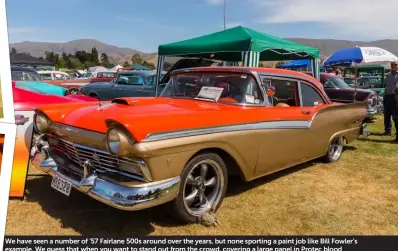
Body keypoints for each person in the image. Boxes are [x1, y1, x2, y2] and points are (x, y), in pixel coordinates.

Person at [383, 61, 398, 136]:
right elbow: (385, 85)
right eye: (392, 65)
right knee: (387, 115)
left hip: (395, 97)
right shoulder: (388, 74)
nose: (394, 66)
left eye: (395, 65)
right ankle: (387, 131)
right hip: (387, 96)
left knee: (396, 116)